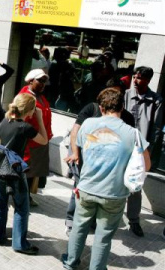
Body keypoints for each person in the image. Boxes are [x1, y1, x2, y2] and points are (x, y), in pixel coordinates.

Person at [62, 88, 151, 270]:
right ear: (122, 107)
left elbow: (77, 145)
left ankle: (71, 263)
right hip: (115, 194)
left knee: (79, 229)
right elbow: (146, 165)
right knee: (104, 236)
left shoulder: (87, 125)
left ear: (101, 108)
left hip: (86, 188)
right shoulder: (133, 133)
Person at [63, 91, 136, 236]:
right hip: (87, 161)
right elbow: (75, 131)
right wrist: (75, 153)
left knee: (98, 195)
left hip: (110, 165)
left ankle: (91, 223)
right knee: (79, 189)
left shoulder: (127, 117)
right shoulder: (92, 109)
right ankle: (71, 221)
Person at [0, 93, 48, 254]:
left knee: (1, 203)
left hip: (0, 169)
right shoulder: (24, 127)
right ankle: (20, 244)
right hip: (15, 171)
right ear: (29, 110)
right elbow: (44, 140)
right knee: (22, 208)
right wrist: (40, 118)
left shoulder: (4, 121)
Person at [123, 66, 163, 237]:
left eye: (139, 78)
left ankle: (133, 220)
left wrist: (148, 153)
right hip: (121, 146)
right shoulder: (125, 95)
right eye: (135, 77)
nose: (135, 80)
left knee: (135, 186)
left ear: (147, 80)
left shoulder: (156, 100)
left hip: (139, 150)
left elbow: (155, 128)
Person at [19, 69, 53, 207]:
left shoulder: (41, 97)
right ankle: (21, 198)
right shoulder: (25, 97)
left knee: (33, 173)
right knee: (26, 171)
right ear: (31, 80)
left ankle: (25, 196)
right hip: (29, 142)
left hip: (40, 141)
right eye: (40, 80)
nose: (43, 84)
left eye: (44, 81)